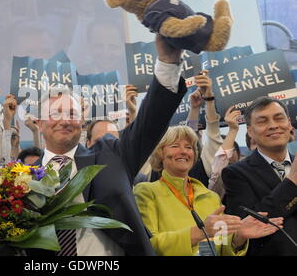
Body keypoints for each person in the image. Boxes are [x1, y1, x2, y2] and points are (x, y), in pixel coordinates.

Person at [31, 35, 187, 256]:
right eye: (56, 113)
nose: (65, 120)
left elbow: (150, 122)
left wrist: (168, 63)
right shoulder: (22, 178)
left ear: (83, 122)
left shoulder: (111, 155)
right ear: (38, 123)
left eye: (72, 114)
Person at [134, 125, 283, 256]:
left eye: (188, 147)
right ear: (160, 153)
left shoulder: (210, 196)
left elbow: (222, 245)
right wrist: (199, 233)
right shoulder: (146, 192)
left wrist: (238, 237)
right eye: (175, 146)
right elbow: (148, 245)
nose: (183, 151)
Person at [222, 96, 297, 256]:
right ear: (250, 131)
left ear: (289, 124)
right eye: (263, 121)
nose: (273, 126)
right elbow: (251, 223)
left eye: (279, 118)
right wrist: (292, 182)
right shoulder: (235, 173)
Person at [208, 105, 242, 199]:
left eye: (232, 149)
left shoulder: (249, 169)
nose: (229, 153)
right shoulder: (217, 178)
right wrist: (233, 130)